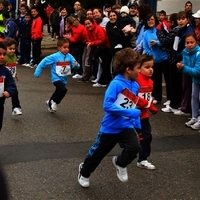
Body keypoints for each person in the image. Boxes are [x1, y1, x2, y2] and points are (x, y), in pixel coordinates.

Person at [78, 48, 147, 188]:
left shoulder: (135, 85)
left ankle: (120, 163)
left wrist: (137, 124)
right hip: (110, 128)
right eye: (138, 68)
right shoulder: (116, 84)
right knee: (97, 154)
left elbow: (132, 106)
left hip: (125, 127)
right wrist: (130, 113)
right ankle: (84, 172)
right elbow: (107, 106)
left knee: (134, 148)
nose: (140, 71)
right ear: (128, 69)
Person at [34, 38, 79, 112]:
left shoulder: (70, 56)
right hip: (56, 78)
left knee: (58, 91)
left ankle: (49, 102)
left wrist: (76, 65)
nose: (67, 49)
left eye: (68, 47)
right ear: (59, 47)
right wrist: (38, 72)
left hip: (64, 78)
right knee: (63, 90)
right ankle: (55, 102)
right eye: (64, 47)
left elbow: (76, 64)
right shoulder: (54, 56)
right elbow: (44, 62)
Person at [143, 13, 170, 105]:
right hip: (155, 59)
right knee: (156, 79)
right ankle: (157, 97)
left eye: (152, 19)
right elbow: (145, 46)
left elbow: (166, 41)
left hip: (165, 57)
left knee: (168, 79)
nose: (150, 21)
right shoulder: (145, 33)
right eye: (148, 20)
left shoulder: (160, 30)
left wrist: (157, 43)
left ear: (155, 20)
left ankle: (169, 99)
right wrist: (151, 55)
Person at [136, 54, 157, 170]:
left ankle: (142, 159)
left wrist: (151, 106)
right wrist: (146, 104)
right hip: (131, 115)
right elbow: (134, 98)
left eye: (151, 67)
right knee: (116, 136)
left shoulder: (150, 82)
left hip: (143, 115)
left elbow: (148, 97)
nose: (150, 69)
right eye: (147, 67)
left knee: (147, 135)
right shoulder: (135, 81)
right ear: (139, 68)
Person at [173, 11, 194, 115]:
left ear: (187, 19)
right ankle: (183, 105)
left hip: (185, 61)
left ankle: (186, 108)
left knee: (187, 85)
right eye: (178, 19)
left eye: (183, 18)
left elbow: (186, 48)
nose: (180, 21)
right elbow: (176, 45)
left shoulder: (188, 31)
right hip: (179, 59)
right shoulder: (180, 30)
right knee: (182, 84)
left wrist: (179, 57)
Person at [177, 34, 200, 129]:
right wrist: (180, 67)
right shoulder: (185, 52)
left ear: (196, 42)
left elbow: (197, 71)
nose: (189, 44)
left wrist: (184, 68)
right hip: (195, 79)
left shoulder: (199, 53)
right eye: (187, 43)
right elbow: (185, 69)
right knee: (194, 98)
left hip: (197, 76)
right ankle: (194, 117)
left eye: (192, 42)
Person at [3, 37, 22, 115]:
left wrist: (16, 74)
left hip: (10, 80)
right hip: (2, 79)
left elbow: (13, 67)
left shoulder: (14, 57)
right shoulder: (4, 58)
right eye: (10, 49)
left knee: (15, 92)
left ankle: (15, 108)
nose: (12, 50)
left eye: (13, 49)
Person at [0, 42, 16, 131]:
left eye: (4, 54)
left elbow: (11, 84)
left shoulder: (5, 71)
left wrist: (8, 91)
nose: (2, 57)